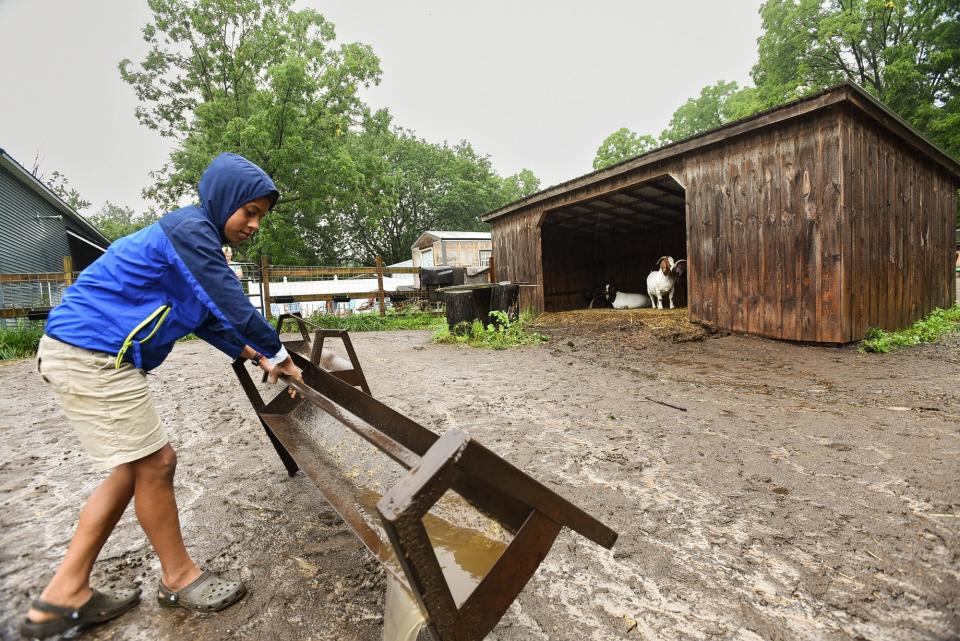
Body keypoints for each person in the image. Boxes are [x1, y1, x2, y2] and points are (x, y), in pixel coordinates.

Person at [20, 153, 303, 639]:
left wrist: (254, 353)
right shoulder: (191, 231)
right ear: (221, 201)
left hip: (90, 351)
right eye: (248, 211)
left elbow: (211, 317)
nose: (254, 224)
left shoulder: (196, 241)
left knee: (133, 468)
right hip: (91, 352)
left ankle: (65, 593)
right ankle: (178, 578)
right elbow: (228, 298)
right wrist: (277, 352)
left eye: (261, 216)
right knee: (155, 464)